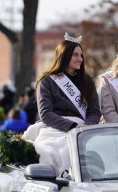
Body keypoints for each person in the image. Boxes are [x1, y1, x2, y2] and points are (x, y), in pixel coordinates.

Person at [23, 32, 101, 175]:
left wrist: (86, 128)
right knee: (52, 153)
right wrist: (72, 126)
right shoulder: (47, 81)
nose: (80, 59)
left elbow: (94, 111)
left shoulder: (88, 81)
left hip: (84, 130)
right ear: (64, 56)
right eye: (75, 55)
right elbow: (46, 114)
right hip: (55, 129)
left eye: (81, 55)